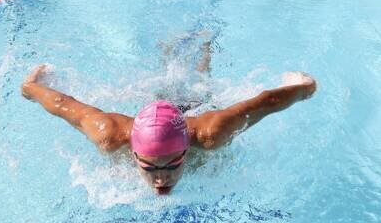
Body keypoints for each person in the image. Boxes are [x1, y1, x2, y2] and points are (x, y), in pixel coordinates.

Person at [21, 65, 318, 195]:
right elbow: (64, 105)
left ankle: (205, 45)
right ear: (134, 152)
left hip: (192, 117)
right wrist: (31, 88)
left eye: (173, 164)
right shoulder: (110, 134)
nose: (161, 177)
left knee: (199, 85)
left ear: (186, 150)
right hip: (140, 126)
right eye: (148, 167)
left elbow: (265, 102)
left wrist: (303, 87)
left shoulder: (209, 133)